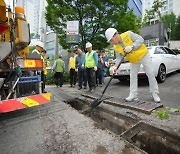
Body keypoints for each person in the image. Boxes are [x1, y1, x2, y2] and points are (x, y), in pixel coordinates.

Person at [105, 28, 161, 103]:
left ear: (115, 35)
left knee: (150, 73)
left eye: (111, 40)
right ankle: (133, 94)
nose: (112, 42)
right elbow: (119, 58)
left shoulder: (128, 34)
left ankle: (155, 93)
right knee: (133, 76)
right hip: (133, 60)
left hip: (143, 55)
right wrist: (116, 67)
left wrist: (132, 46)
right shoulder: (116, 47)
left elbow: (140, 39)